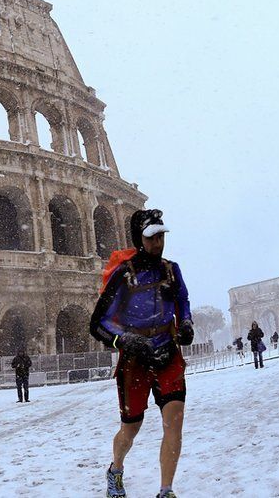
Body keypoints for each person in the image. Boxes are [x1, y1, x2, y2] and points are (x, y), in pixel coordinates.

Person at [90, 209, 192, 498]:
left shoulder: (171, 270)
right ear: (139, 239)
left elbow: (183, 301)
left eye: (161, 236)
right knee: (131, 428)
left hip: (167, 352)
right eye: (151, 238)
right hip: (135, 360)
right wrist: (124, 340)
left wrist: (186, 323)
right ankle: (116, 468)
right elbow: (98, 323)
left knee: (174, 421)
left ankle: (166, 489)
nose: (158, 243)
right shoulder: (124, 274)